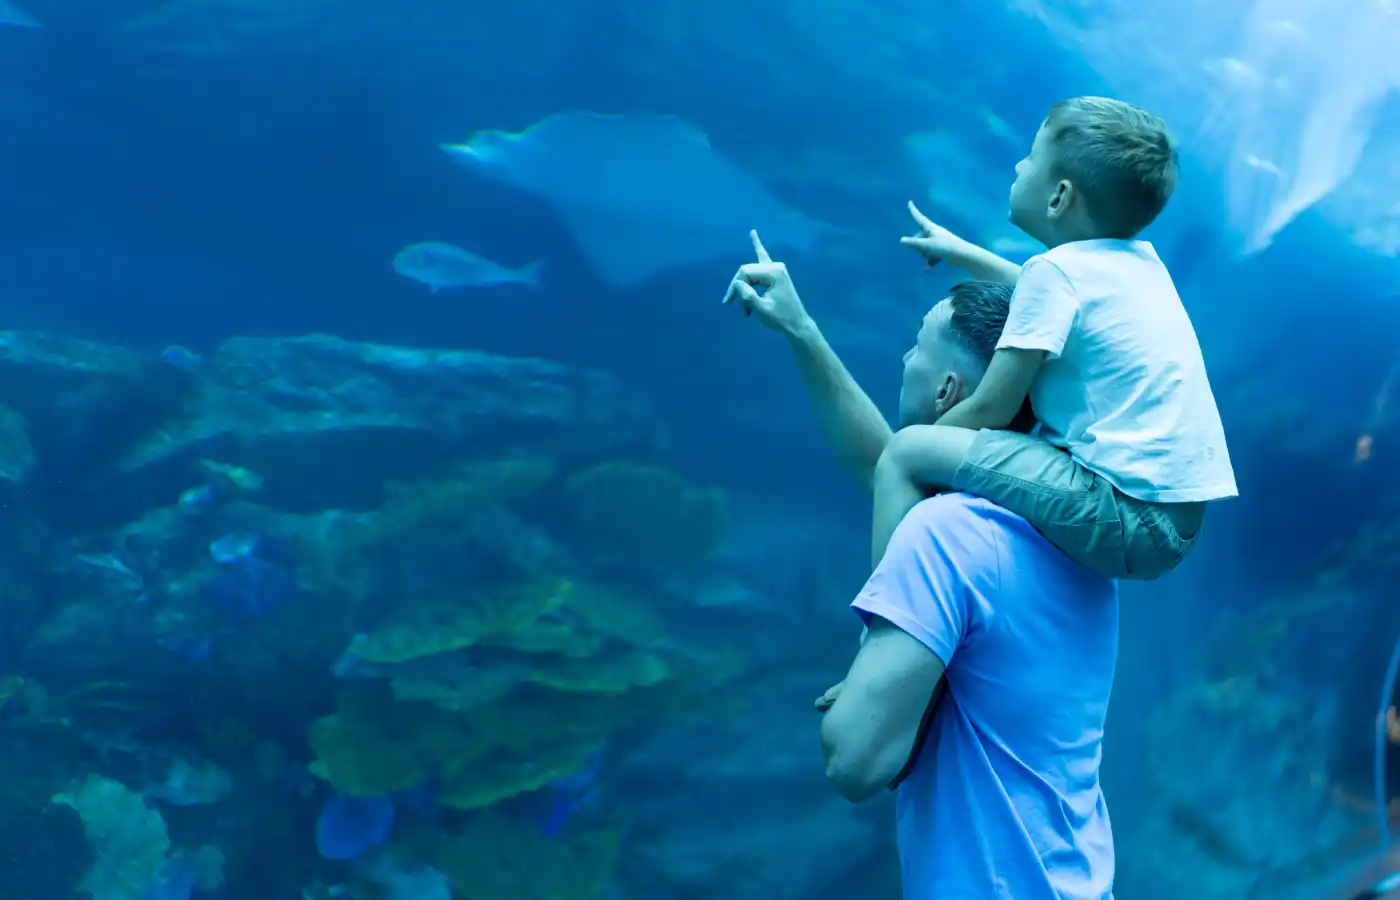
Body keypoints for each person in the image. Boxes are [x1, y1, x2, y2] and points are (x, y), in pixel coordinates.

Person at [725, 232, 1117, 899]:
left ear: (947, 388)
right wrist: (803, 332)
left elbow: (855, 761)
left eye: (916, 344)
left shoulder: (945, 535)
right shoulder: (1073, 535)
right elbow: (886, 465)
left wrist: (862, 678)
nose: (903, 356)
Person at [871, 96, 1238, 579]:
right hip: (1176, 526)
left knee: (906, 452)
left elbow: (990, 410)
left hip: (1124, 516)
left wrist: (928, 448)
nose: (1020, 165)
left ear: (1059, 196)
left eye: (1032, 156)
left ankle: (888, 610)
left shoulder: (1058, 273)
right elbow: (1035, 297)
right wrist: (960, 251)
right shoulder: (1135, 267)